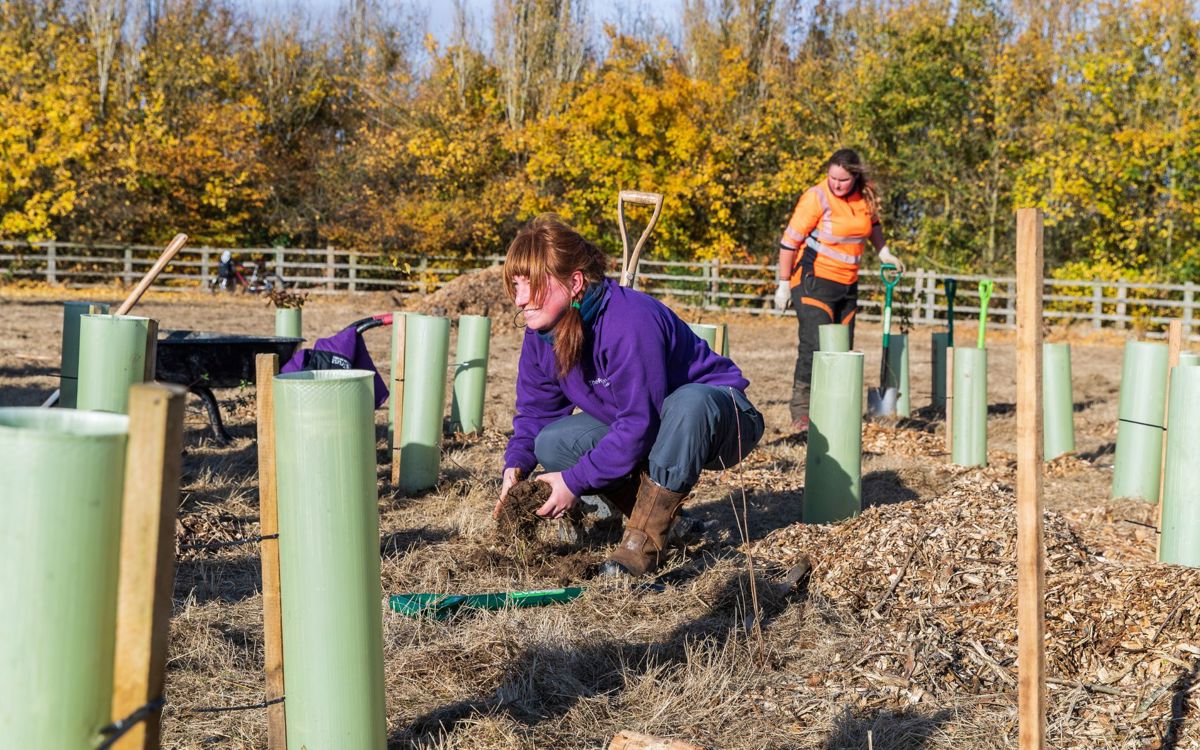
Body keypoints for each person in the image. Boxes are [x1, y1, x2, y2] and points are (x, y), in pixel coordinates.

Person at [494, 215, 765, 577]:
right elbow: (535, 414)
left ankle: (644, 542)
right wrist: (515, 467)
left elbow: (638, 423)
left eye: (533, 285)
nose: (521, 298)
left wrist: (573, 481)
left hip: (721, 419)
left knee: (689, 403)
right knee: (552, 442)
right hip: (648, 424)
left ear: (574, 282)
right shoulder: (541, 336)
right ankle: (673, 524)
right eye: (516, 284)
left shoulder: (628, 321)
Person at [773, 148, 905, 433]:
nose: (836, 184)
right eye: (832, 177)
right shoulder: (816, 197)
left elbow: (874, 226)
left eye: (843, 180)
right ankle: (802, 412)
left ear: (855, 177)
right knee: (814, 346)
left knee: (842, 349)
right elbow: (789, 243)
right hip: (813, 280)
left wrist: (884, 253)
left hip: (847, 284)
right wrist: (783, 283)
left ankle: (835, 408)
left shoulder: (865, 196)